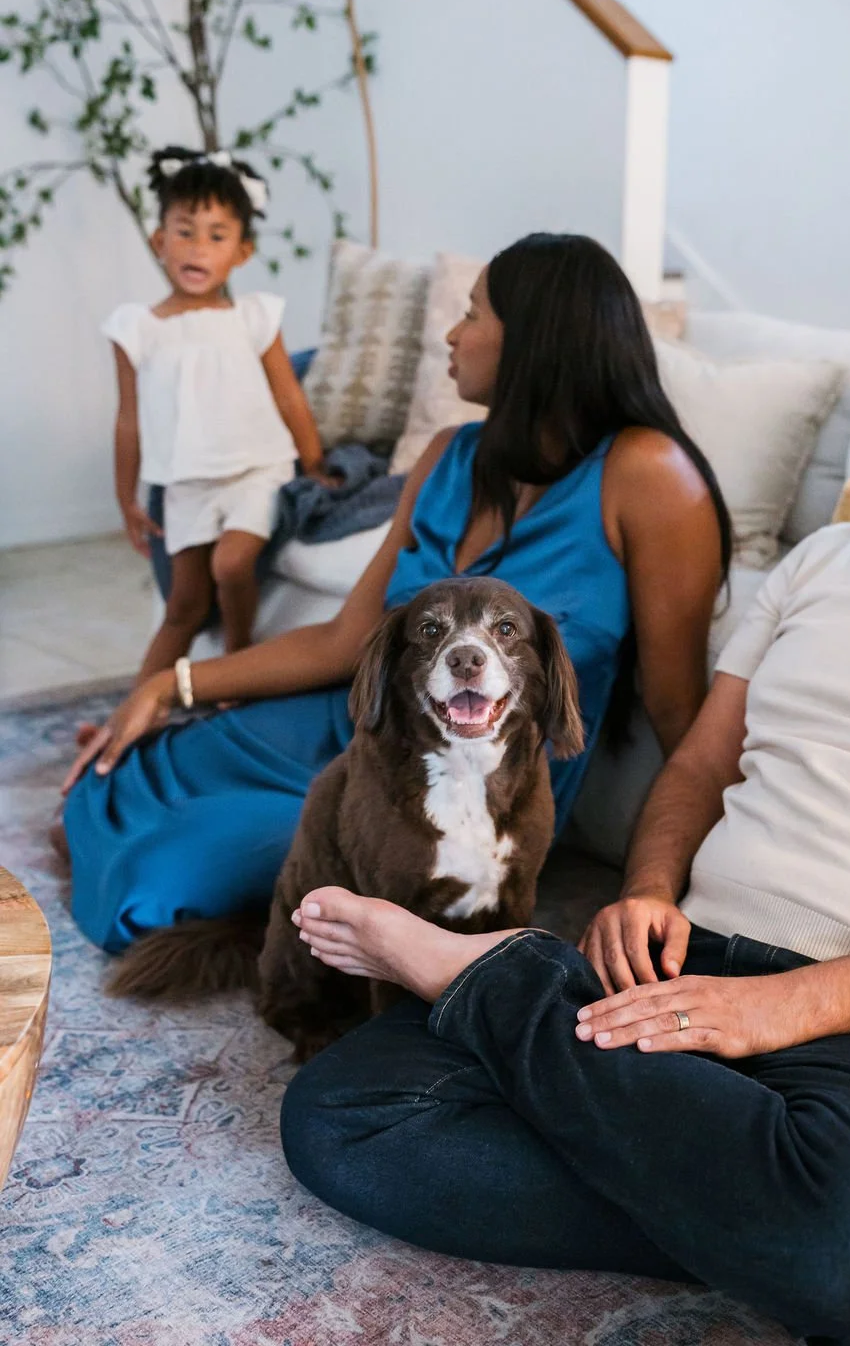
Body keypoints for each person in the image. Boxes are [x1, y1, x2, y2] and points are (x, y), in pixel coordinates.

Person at [277, 279, 850, 1346]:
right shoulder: (822, 564)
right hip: (686, 963)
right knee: (344, 1118)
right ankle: (789, 1235)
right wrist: (645, 889)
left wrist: (780, 1011)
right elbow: (699, 769)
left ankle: (492, 975)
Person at [62, 233, 731, 959]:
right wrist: (171, 684)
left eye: (472, 314)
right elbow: (345, 641)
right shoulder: (449, 456)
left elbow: (679, 712)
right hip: (351, 732)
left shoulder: (651, 476)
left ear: (532, 340)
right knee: (124, 777)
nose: (452, 333)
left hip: (474, 791)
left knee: (158, 883)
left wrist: (658, 887)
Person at [104, 146, 332, 682]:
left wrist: (314, 462)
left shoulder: (254, 317)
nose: (197, 247)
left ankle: (235, 661)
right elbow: (128, 420)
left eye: (216, 235)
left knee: (231, 564)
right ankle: (133, 714)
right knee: (184, 603)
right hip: (185, 484)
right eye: (184, 232)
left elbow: (289, 397)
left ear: (241, 252)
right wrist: (125, 497)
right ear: (160, 241)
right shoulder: (135, 328)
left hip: (257, 469)